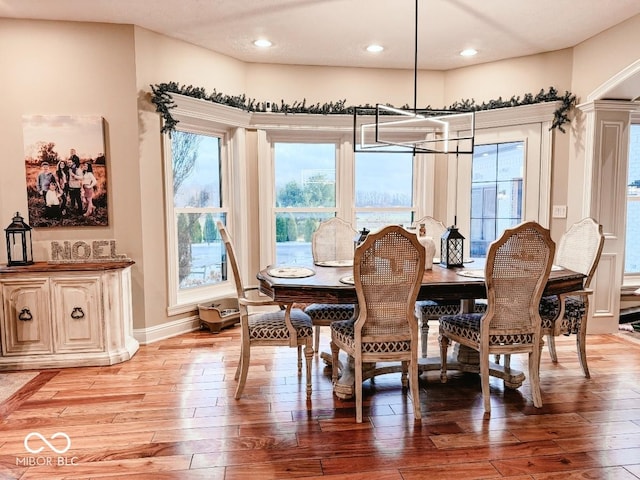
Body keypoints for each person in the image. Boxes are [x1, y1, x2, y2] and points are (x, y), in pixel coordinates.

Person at [67, 149, 83, 213]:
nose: (71, 152)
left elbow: (81, 177)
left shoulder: (77, 159)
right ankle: (72, 209)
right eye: (71, 152)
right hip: (71, 186)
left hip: (76, 186)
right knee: (72, 198)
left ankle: (80, 210)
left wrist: (75, 175)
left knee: (78, 199)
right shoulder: (70, 158)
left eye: (72, 152)